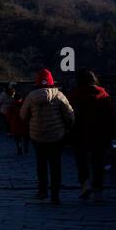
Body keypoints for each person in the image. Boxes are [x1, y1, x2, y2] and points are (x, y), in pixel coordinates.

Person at [20, 69, 74, 203]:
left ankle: (42, 191)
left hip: (37, 135)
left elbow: (22, 115)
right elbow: (69, 114)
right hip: (57, 135)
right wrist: (67, 127)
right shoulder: (59, 95)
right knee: (55, 164)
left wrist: (32, 122)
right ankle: (55, 194)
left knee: (41, 163)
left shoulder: (31, 96)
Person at [68, 68, 116, 202]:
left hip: (79, 132)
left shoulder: (74, 95)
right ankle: (98, 190)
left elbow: (68, 115)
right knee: (98, 161)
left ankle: (85, 185)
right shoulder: (103, 95)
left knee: (81, 160)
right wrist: (114, 133)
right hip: (99, 133)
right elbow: (112, 116)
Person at [5, 88, 29, 154]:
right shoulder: (25, 105)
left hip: (15, 124)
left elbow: (8, 117)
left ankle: (19, 148)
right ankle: (26, 147)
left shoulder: (11, 106)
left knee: (18, 139)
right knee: (26, 137)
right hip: (24, 124)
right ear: (21, 98)